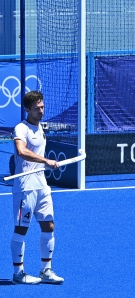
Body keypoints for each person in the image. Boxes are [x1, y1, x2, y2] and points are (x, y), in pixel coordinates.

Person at [11, 91, 64, 284]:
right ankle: (18, 273)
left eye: (42, 107)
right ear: (27, 109)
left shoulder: (40, 127)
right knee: (21, 229)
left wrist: (44, 164)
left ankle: (46, 270)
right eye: (37, 109)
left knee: (48, 225)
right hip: (25, 187)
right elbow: (21, 150)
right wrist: (45, 160)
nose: (41, 111)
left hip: (42, 186)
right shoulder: (21, 128)